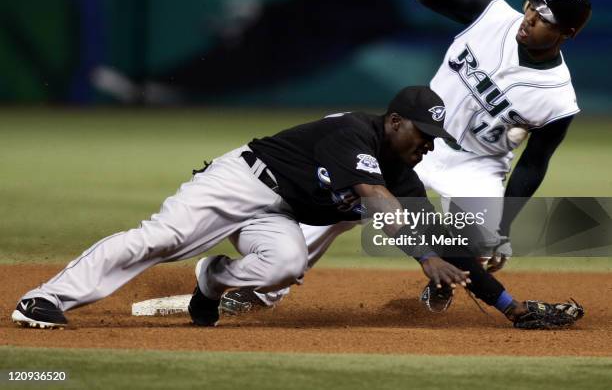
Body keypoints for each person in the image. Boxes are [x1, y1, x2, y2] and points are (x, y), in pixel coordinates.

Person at [221, 0, 592, 316]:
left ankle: (442, 278)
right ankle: (260, 289)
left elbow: (533, 163)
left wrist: (506, 224)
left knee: (480, 245)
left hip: (478, 164)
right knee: (341, 206)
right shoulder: (493, 15)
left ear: (568, 31)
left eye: (544, 16)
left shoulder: (559, 99)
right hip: (416, 142)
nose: (530, 16)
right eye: (532, 5)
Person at [12, 86, 471, 329]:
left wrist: (482, 270)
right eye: (423, 134)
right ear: (393, 122)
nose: (430, 144)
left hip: (277, 213)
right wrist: (426, 258)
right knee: (164, 240)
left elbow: (429, 224)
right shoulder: (354, 132)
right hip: (240, 181)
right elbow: (376, 201)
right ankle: (45, 298)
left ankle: (212, 280)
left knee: (287, 265)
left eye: (436, 139)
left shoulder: (402, 172)